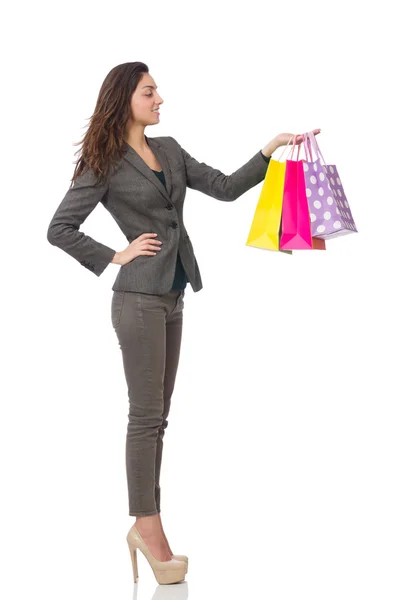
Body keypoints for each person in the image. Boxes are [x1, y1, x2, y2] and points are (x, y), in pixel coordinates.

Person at [47, 60, 320, 585]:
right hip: (137, 300)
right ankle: (147, 529)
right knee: (145, 418)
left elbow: (224, 186)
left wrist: (270, 149)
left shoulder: (169, 150)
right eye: (150, 91)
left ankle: (145, 526)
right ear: (126, 97)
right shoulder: (103, 163)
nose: (160, 99)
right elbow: (59, 227)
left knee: (159, 418)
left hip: (171, 297)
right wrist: (116, 254)